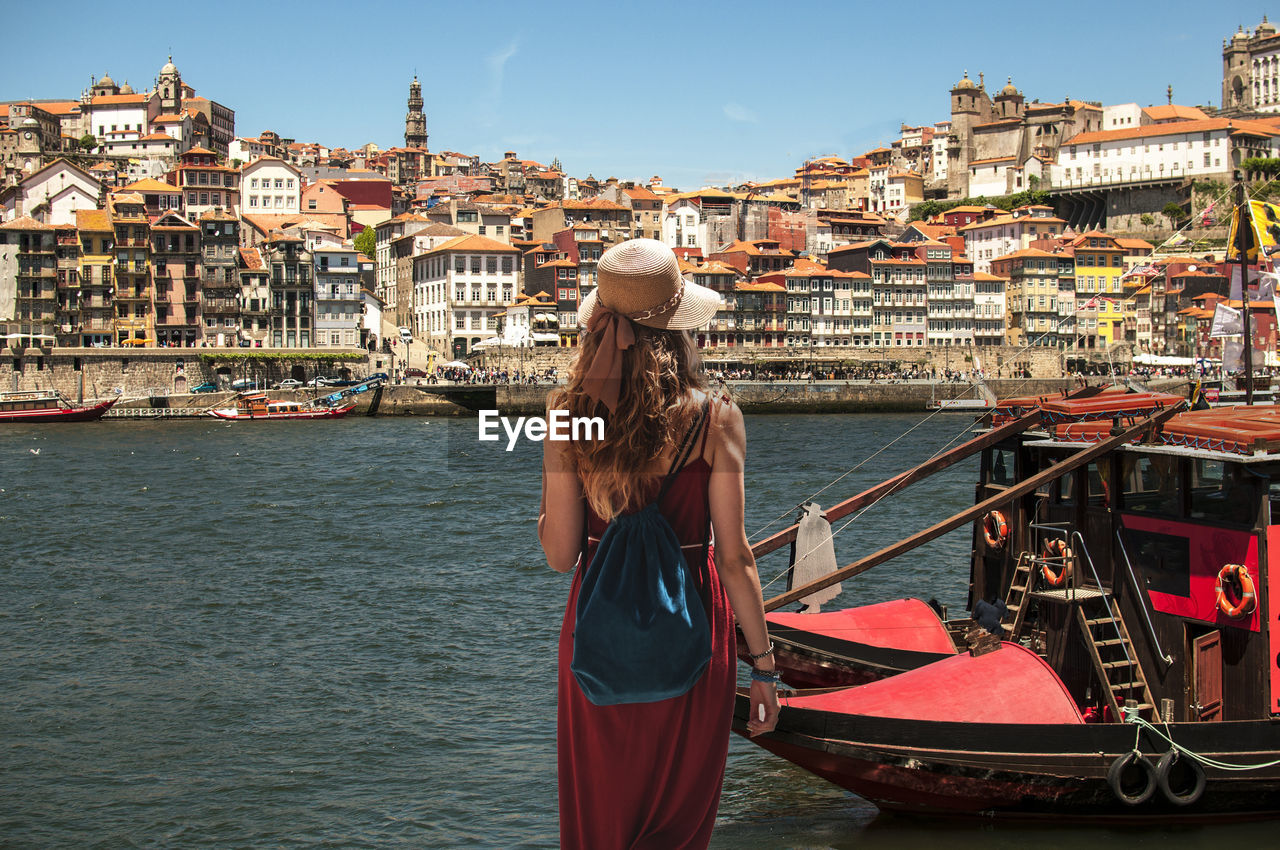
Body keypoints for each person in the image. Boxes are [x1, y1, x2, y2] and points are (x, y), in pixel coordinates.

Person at [539, 238, 780, 849]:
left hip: (598, 635)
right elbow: (734, 557)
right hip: (693, 630)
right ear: (678, 326)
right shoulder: (714, 418)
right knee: (678, 824)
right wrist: (765, 666)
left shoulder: (568, 415)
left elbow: (560, 553)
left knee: (603, 823)